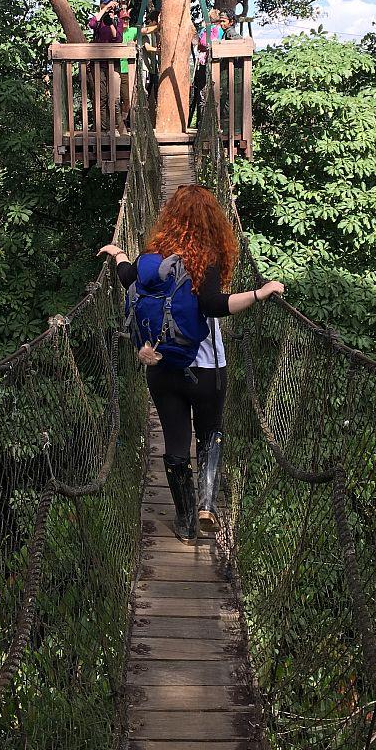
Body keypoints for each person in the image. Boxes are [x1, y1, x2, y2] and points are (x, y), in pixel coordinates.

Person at [98, 185, 284, 544]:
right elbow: (215, 305)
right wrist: (260, 293)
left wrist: (119, 251)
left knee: (176, 443)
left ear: (169, 218)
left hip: (161, 366)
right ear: (213, 221)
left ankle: (183, 522)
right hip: (207, 367)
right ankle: (207, 505)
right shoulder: (207, 258)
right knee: (211, 431)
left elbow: (125, 279)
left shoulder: (153, 256)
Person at [87, 0, 127, 135]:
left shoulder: (117, 21)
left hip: (113, 64)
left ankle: (113, 127)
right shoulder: (98, 20)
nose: (110, 9)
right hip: (97, 65)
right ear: (102, 6)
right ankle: (102, 129)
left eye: (112, 7)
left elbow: (118, 40)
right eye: (107, 6)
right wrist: (104, 10)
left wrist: (111, 22)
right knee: (101, 97)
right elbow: (91, 24)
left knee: (114, 97)